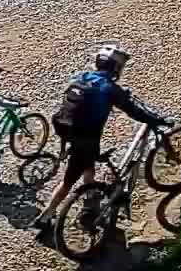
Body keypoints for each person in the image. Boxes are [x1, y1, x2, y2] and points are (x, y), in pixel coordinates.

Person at [34, 44, 173, 232]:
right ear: (116, 68)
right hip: (87, 139)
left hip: (71, 133)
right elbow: (133, 111)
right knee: (68, 181)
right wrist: (155, 120)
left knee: (87, 165)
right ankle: (46, 216)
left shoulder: (83, 78)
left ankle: (90, 198)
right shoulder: (109, 89)